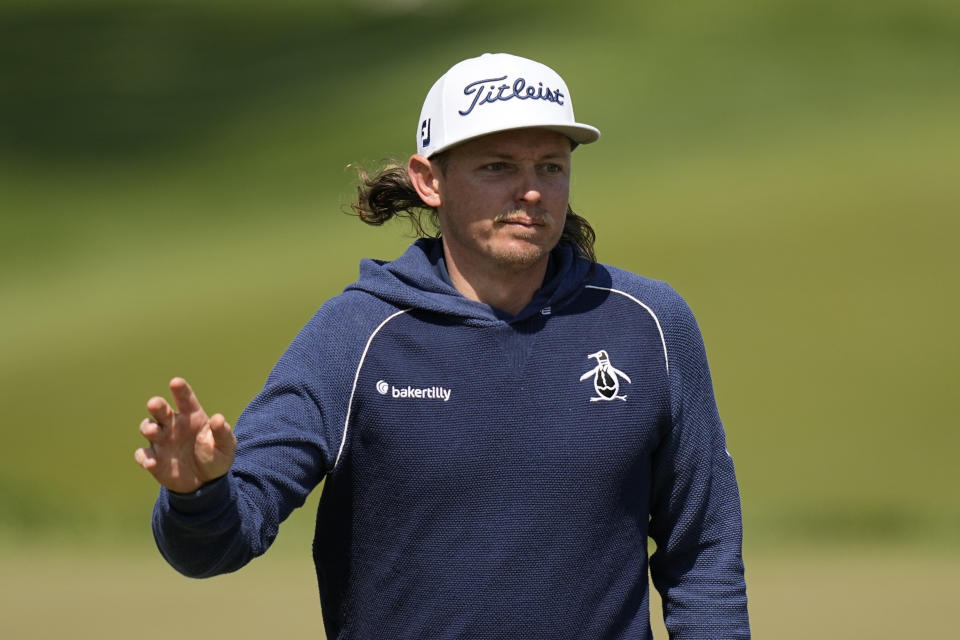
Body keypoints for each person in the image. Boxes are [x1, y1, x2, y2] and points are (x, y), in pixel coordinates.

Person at [135, 52, 750, 639]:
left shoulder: (651, 322)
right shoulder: (356, 333)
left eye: (551, 166)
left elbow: (703, 549)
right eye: (497, 166)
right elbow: (222, 542)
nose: (531, 191)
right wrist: (197, 495)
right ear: (430, 180)